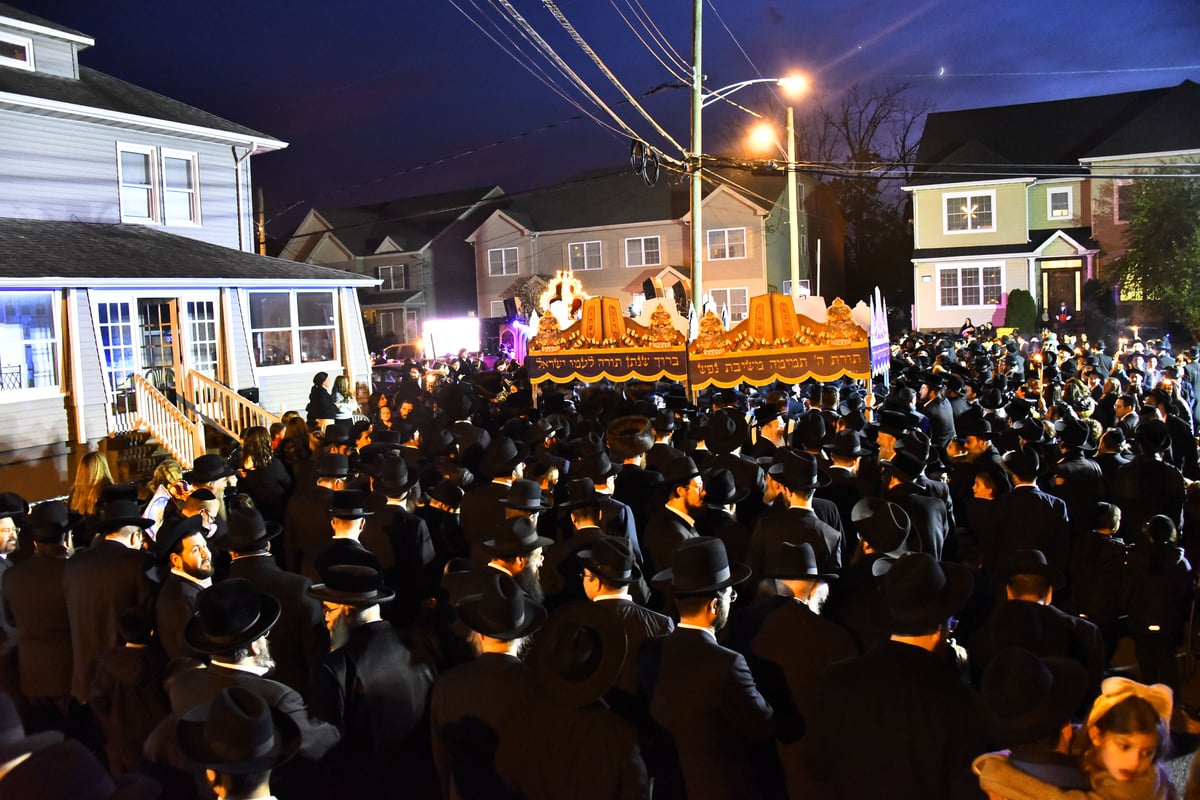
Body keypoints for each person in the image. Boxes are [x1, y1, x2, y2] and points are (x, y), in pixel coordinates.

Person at [639, 536, 775, 799]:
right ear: (715, 605)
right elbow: (763, 726)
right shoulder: (726, 663)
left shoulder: (650, 651)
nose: (732, 601)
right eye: (729, 594)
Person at [307, 565, 436, 794]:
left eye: (328, 608)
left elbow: (327, 748)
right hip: (418, 783)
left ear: (347, 610)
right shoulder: (417, 647)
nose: (325, 617)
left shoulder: (336, 666)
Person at [976, 677, 1176, 799]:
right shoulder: (1087, 742)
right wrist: (1000, 757)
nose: (1135, 762)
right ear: (1097, 736)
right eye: (1125, 746)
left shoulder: (1141, 785)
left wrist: (999, 775)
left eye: (1147, 752)